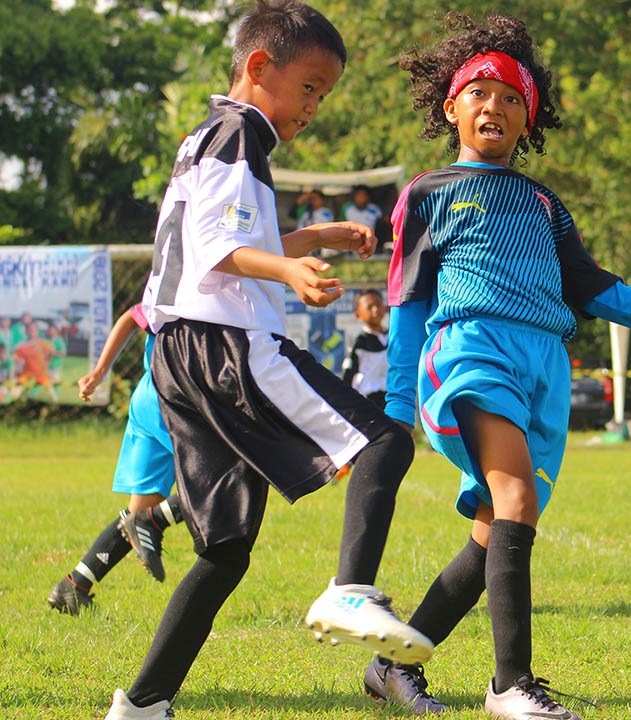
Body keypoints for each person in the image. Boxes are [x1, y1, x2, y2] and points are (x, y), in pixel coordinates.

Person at [369, 13, 631, 718]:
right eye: (480, 90)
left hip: (545, 368)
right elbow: (407, 300)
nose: (495, 105)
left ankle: (391, 667)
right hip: (472, 352)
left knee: (493, 533)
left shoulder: (545, 204)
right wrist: (396, 407)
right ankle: (510, 687)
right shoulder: (428, 191)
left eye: (513, 97)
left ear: (528, 118)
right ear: (451, 107)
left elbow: (602, 293)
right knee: (514, 501)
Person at [104, 3, 431, 718]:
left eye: (324, 94)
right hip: (226, 344)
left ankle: (140, 705)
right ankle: (350, 589)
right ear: (259, 68)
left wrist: (313, 237)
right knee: (383, 441)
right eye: (310, 86)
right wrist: (292, 273)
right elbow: (225, 249)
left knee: (225, 550)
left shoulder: (208, 135)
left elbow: (218, 236)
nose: (314, 106)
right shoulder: (241, 132)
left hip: (179, 355)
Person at [48, 305, 185, 617]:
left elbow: (130, 317)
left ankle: (74, 586)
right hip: (175, 403)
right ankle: (153, 521)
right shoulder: (200, 279)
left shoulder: (169, 275)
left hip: (149, 396)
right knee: (224, 483)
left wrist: (99, 371)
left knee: (139, 511)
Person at [343, 288, 389, 409]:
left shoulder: (393, 337)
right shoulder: (358, 343)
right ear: (358, 314)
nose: (376, 310)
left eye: (379, 305)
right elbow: (348, 375)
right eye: (369, 307)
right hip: (367, 402)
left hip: (391, 398)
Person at [12, 320, 59, 402]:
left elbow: (52, 350)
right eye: (30, 330)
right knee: (18, 387)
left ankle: (55, 401)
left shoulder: (41, 342)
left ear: (37, 332)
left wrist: (47, 361)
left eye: (34, 330)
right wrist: (17, 365)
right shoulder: (23, 345)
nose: (32, 332)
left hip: (40, 371)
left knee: (50, 389)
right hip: (27, 371)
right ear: (27, 331)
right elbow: (15, 356)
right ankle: (13, 400)